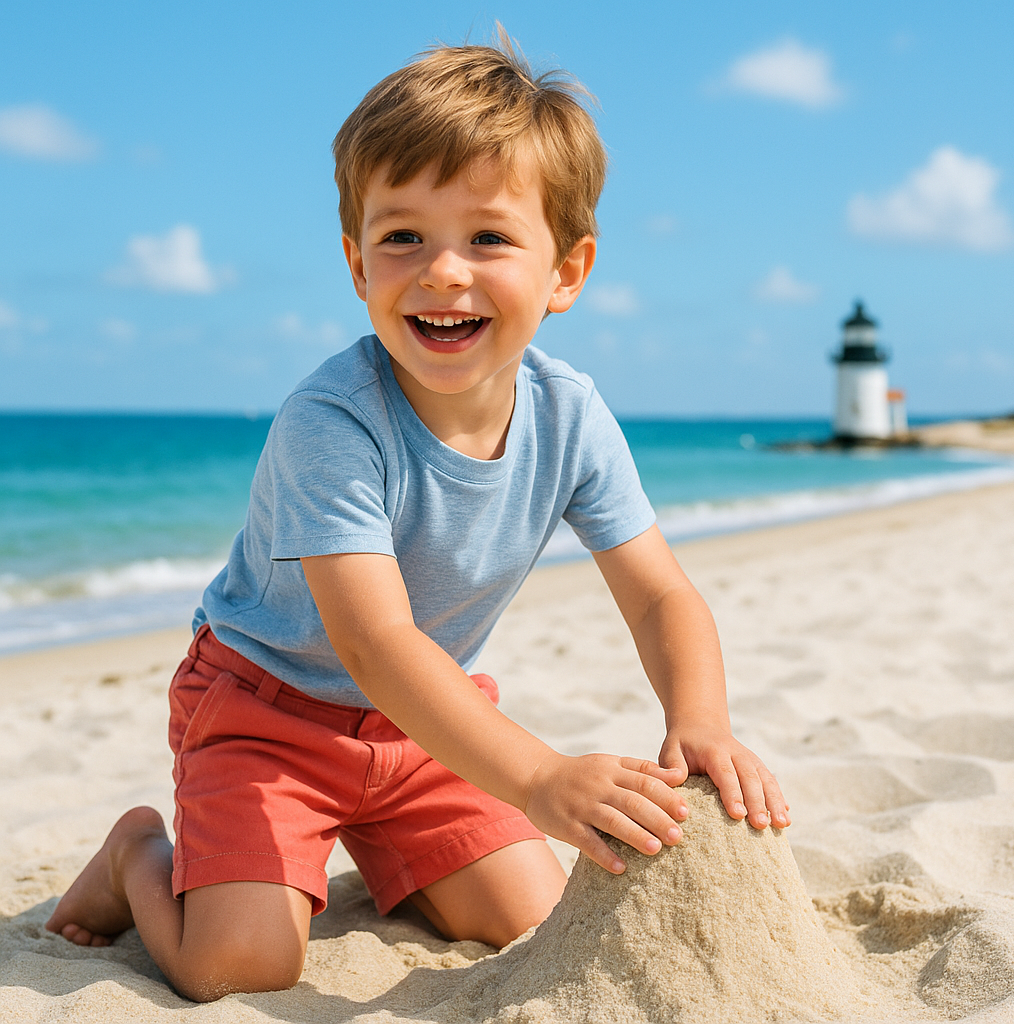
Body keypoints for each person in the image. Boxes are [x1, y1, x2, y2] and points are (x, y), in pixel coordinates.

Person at [46, 35, 789, 1002]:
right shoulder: (333, 421)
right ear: (357, 264)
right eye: (402, 237)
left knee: (526, 914)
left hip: (425, 728)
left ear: (566, 273)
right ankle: (138, 856)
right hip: (267, 712)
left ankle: (374, 853)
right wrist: (540, 779)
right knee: (238, 966)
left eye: (488, 239)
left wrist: (700, 721)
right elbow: (376, 641)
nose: (442, 271)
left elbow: (659, 595)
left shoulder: (570, 418)